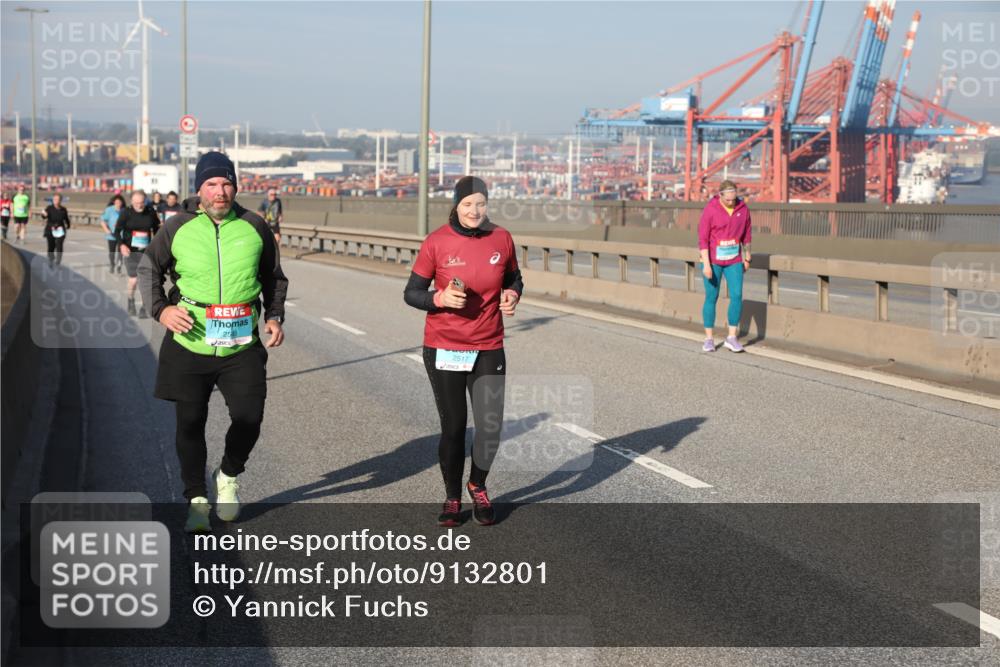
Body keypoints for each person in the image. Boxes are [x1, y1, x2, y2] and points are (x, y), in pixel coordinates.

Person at [138, 152, 288, 533]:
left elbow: (274, 278)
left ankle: (229, 474)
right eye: (211, 184)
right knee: (190, 422)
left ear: (235, 187)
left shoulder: (254, 225)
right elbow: (148, 268)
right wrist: (160, 311)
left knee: (249, 416)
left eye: (226, 184)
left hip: (240, 344)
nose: (220, 192)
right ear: (199, 189)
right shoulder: (177, 226)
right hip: (190, 339)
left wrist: (273, 315)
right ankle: (197, 499)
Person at [403, 175, 522, 527]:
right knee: (455, 427)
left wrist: (513, 294)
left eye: (481, 203)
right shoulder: (437, 241)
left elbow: (514, 277)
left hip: (488, 344)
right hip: (445, 346)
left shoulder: (502, 237)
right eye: (468, 204)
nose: (475, 210)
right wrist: (437, 299)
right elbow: (412, 292)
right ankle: (452, 496)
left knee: (490, 426)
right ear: (456, 205)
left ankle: (478, 485)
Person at [698, 179, 751, 353]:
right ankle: (709, 339)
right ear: (720, 195)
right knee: (711, 297)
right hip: (713, 261)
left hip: (734, 260)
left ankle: (732, 337)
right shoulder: (710, 209)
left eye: (733, 198)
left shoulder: (742, 209)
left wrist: (747, 255)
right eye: (727, 199)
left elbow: (747, 233)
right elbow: (703, 239)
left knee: (737, 295)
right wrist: (706, 264)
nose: (731, 202)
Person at [115, 190, 160, 318]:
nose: (139, 205)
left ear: (145, 201)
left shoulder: (150, 212)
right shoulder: (126, 213)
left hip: (146, 251)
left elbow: (156, 229)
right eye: (136, 203)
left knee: (145, 280)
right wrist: (122, 245)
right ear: (131, 202)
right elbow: (117, 231)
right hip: (130, 251)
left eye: (141, 203)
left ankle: (144, 307)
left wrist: (157, 245)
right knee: (134, 280)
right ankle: (130, 301)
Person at [41, 193, 71, 267]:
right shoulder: (49, 208)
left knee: (59, 245)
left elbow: (66, 218)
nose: (56, 201)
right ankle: (51, 259)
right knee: (51, 246)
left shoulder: (63, 209)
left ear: (60, 200)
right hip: (50, 228)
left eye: (58, 199)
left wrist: (68, 225)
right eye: (54, 199)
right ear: (53, 200)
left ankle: (58, 261)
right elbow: (44, 216)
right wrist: (43, 215)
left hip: (60, 229)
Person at [101, 194, 126, 273]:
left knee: (120, 251)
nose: (118, 203)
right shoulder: (109, 210)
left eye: (120, 202)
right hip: (111, 234)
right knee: (112, 251)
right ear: (114, 202)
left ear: (122, 203)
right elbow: (103, 221)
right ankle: (112, 264)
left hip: (122, 235)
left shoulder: (125, 210)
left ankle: (119, 265)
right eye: (117, 202)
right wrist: (106, 230)